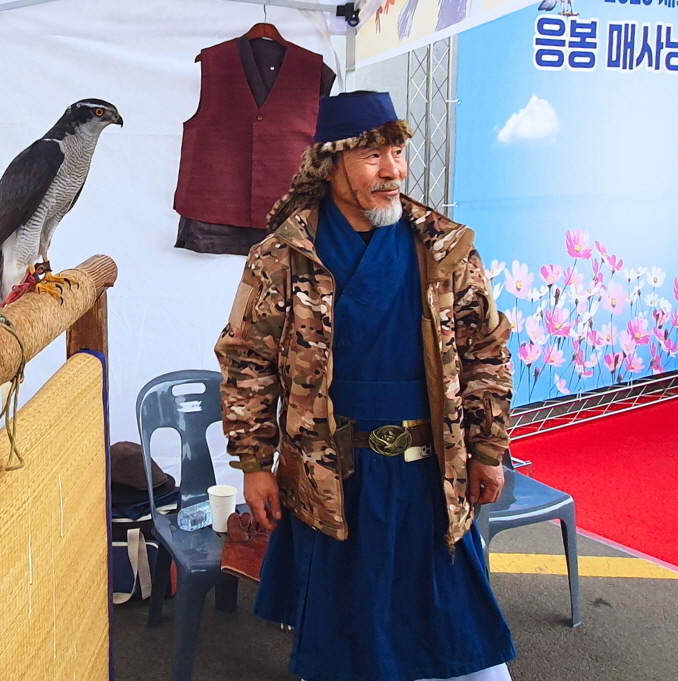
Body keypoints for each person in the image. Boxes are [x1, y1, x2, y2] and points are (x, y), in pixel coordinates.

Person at [214, 91, 517, 681]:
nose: (394, 171)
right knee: (341, 648)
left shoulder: (443, 248)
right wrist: (253, 462)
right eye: (373, 155)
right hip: (332, 477)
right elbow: (247, 360)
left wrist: (488, 449)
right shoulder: (284, 255)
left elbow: (485, 350)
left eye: (398, 153)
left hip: (431, 474)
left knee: (462, 648)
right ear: (330, 164)